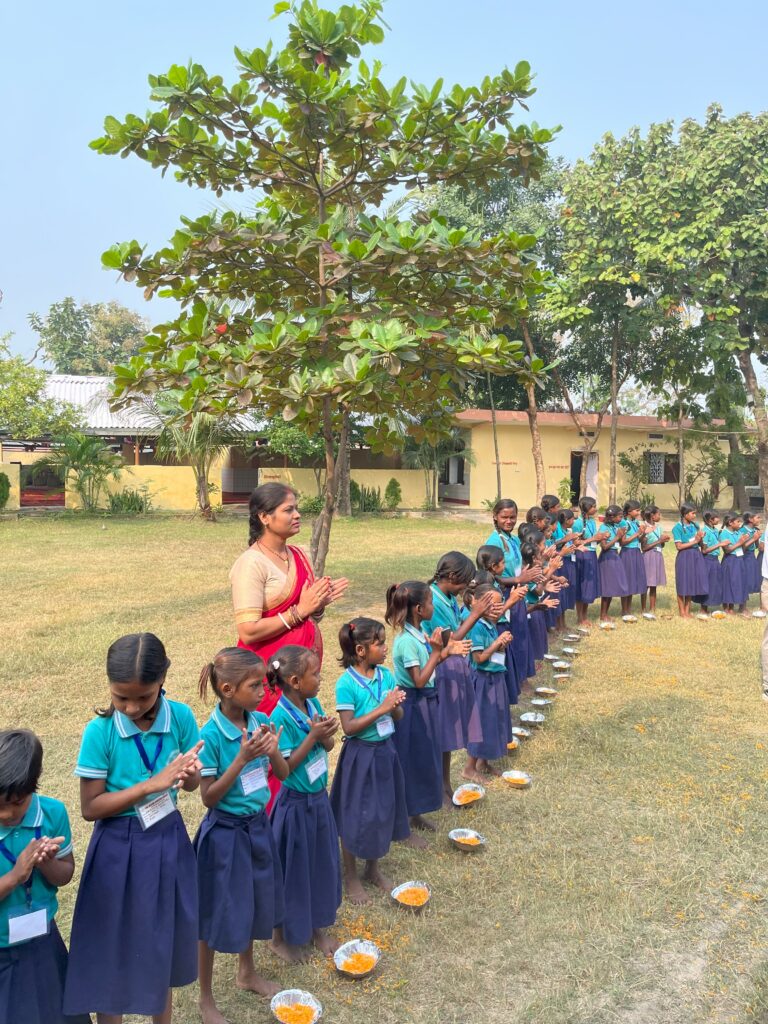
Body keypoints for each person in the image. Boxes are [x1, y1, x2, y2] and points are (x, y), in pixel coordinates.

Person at [64, 633, 204, 1024]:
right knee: (113, 946)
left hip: (166, 841)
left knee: (160, 941)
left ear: (163, 680)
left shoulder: (181, 718)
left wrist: (188, 776)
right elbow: (91, 807)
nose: (130, 706)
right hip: (116, 848)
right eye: (119, 697)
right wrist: (150, 784)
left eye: (143, 697)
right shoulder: (100, 732)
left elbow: (190, 785)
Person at [230, 483, 348, 805]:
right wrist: (299, 612)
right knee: (273, 745)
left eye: (296, 508)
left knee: (299, 741)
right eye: (288, 510)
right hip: (267, 676)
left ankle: (300, 817)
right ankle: (273, 820)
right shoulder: (251, 564)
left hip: (299, 675)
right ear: (264, 517)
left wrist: (318, 604)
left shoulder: (297, 554)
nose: (297, 515)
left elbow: (309, 613)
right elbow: (248, 629)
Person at [195, 648, 287, 1023]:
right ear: (229, 689)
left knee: (251, 901)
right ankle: (205, 996)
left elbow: (280, 773)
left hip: (257, 828)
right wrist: (242, 759)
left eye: (264, 682)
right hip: (225, 836)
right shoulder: (211, 735)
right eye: (255, 685)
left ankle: (246, 972)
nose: (264, 690)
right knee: (215, 913)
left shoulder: (261, 719)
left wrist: (273, 750)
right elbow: (208, 797)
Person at [0, 729, 89, 1024]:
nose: (6, 814)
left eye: (17, 803)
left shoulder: (52, 814)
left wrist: (46, 863)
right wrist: (15, 875)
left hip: (42, 941)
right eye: (0, 805)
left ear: (34, 785)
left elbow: (65, 875)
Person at [268, 646, 341, 960]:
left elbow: (327, 746)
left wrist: (325, 734)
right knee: (292, 870)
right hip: (294, 806)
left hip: (318, 800)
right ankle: (279, 936)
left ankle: (315, 926)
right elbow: (284, 770)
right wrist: (312, 736)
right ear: (295, 681)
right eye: (315, 674)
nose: (320, 678)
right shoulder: (279, 717)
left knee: (319, 864)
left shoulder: (312, 703)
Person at [330, 618, 409, 904]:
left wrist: (396, 706)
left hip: (384, 751)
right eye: (379, 643)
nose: (385, 648)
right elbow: (349, 727)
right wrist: (383, 707)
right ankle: (350, 875)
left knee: (382, 810)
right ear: (361, 650)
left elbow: (396, 716)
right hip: (360, 755)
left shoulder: (385, 676)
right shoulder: (346, 684)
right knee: (354, 814)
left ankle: (373, 869)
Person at [387, 581, 457, 843]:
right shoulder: (406, 642)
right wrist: (437, 652)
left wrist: (444, 652)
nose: (433, 606)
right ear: (418, 609)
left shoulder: (418, 635)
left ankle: (415, 813)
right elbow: (417, 680)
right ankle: (403, 823)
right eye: (429, 602)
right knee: (409, 760)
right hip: (412, 706)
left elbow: (427, 670)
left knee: (423, 759)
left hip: (425, 702)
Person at [423, 552, 492, 801]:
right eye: (464, 581)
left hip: (453, 667)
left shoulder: (448, 597)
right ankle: (439, 787)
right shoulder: (434, 600)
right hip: (439, 670)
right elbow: (449, 641)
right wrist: (475, 614)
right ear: (451, 577)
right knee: (441, 733)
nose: (467, 587)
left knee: (448, 734)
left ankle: (444, 785)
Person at [485, 499, 539, 690]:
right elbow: (490, 576)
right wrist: (517, 580)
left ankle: (522, 676)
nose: (509, 521)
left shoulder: (513, 539)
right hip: (506, 593)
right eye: (504, 517)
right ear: (495, 516)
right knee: (512, 636)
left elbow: (518, 566)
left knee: (522, 634)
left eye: (512, 517)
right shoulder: (493, 542)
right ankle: (514, 681)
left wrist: (528, 572)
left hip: (519, 590)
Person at [465, 584, 513, 776]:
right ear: (479, 604)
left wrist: (502, 644)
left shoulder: (490, 624)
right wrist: (496, 644)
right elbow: (479, 658)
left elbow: (493, 653)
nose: (498, 609)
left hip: (496, 677)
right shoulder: (477, 627)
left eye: (500, 605)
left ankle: (483, 762)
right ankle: (469, 767)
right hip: (483, 681)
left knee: (493, 720)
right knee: (481, 722)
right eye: (493, 605)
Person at [474, 546, 527, 707]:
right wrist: (510, 601)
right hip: (486, 668)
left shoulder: (494, 582)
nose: (505, 566)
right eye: (503, 563)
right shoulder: (478, 625)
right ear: (493, 566)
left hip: (499, 636)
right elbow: (492, 616)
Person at [573, 497, 608, 628]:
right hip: (582, 555)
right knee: (581, 585)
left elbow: (594, 540)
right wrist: (593, 538)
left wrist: (601, 538)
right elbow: (575, 543)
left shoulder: (592, 521)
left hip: (592, 554)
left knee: (589, 585)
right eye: (593, 506)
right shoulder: (578, 523)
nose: (595, 509)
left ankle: (585, 615)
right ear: (586, 508)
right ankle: (580, 617)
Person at [671, 503, 709, 619]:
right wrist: (695, 540)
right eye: (692, 513)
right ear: (685, 514)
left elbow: (699, 543)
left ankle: (688, 610)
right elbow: (679, 546)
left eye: (695, 513)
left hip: (695, 556)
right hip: (684, 556)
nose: (694, 515)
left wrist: (701, 539)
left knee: (691, 583)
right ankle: (682, 611)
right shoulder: (677, 528)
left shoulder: (695, 525)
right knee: (683, 583)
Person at [598, 505, 629, 626]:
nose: (621, 519)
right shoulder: (603, 527)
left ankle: (605, 613)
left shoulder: (615, 526)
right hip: (607, 558)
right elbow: (604, 546)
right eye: (620, 516)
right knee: (607, 587)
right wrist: (617, 537)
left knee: (612, 586)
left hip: (615, 555)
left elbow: (620, 543)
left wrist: (621, 535)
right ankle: (603, 614)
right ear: (612, 517)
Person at [619, 500, 648, 620]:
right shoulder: (623, 523)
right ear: (629, 512)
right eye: (637, 510)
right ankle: (624, 609)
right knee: (626, 580)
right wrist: (637, 533)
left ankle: (628, 608)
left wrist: (643, 534)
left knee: (632, 580)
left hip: (636, 552)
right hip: (627, 553)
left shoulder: (635, 522)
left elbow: (638, 540)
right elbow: (622, 542)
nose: (639, 512)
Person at [640, 505, 669, 619]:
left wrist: (663, 541)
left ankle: (652, 608)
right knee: (646, 583)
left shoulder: (659, 527)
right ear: (652, 515)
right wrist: (659, 540)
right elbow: (644, 547)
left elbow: (661, 544)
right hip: (648, 556)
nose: (659, 516)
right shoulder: (644, 528)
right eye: (658, 514)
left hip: (658, 555)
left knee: (654, 584)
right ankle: (643, 608)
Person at [720, 512, 750, 615]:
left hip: (739, 560)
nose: (740, 523)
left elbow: (743, 548)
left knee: (736, 582)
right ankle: (725, 607)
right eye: (738, 521)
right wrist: (740, 543)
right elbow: (727, 550)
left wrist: (745, 542)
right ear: (730, 523)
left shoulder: (738, 533)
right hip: (730, 560)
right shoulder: (724, 533)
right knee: (727, 582)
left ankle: (732, 607)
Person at [697, 511, 726, 616]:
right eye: (716, 518)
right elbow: (704, 550)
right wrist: (720, 544)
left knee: (714, 583)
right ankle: (703, 608)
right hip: (707, 560)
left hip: (715, 559)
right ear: (710, 520)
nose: (718, 519)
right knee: (706, 583)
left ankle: (709, 605)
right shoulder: (705, 531)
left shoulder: (715, 530)